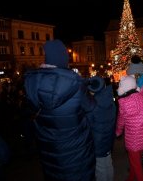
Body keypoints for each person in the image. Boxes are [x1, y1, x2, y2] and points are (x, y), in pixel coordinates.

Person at [24, 39, 96, 181]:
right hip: (76, 150)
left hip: (49, 149)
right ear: (62, 57)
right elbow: (90, 107)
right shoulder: (75, 81)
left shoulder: (31, 82)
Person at [86, 76, 116, 181]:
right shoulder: (109, 100)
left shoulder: (93, 106)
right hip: (108, 139)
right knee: (108, 164)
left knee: (100, 168)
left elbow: (88, 124)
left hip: (98, 142)